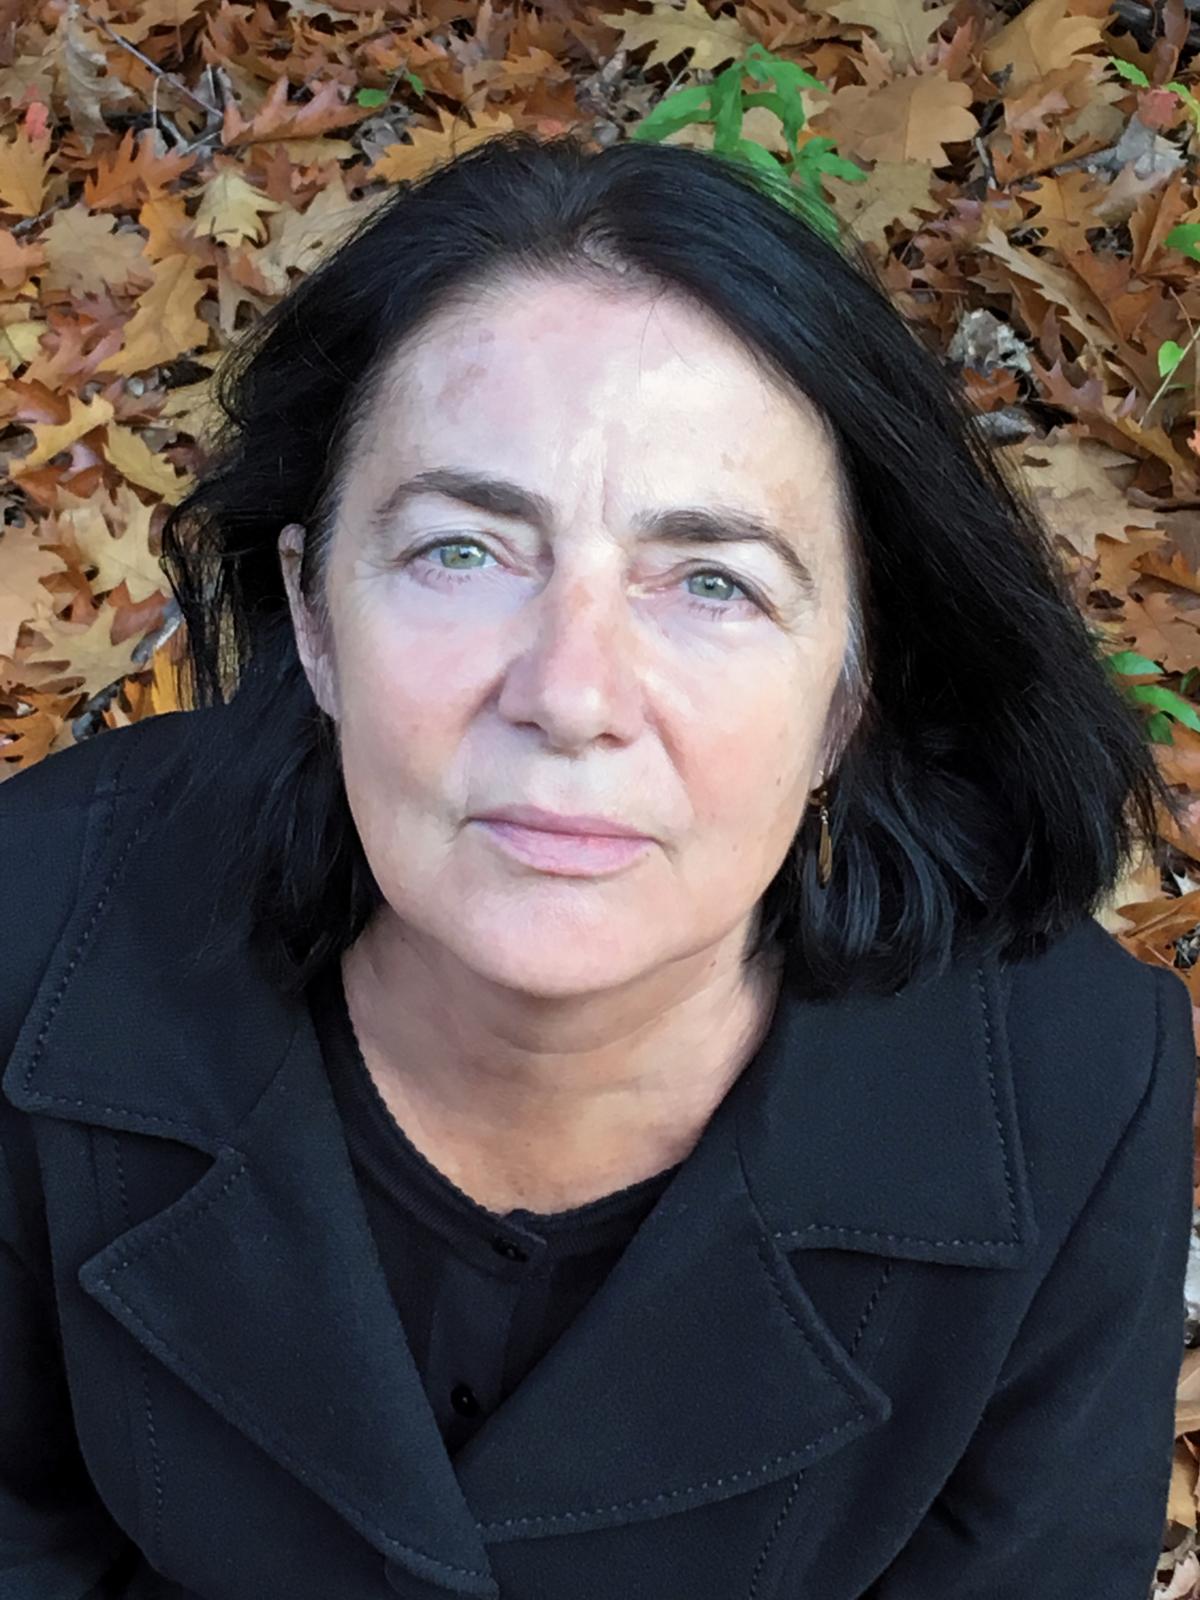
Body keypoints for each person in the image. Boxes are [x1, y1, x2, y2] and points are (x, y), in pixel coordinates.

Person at [1, 129, 1194, 1600]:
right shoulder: (32, 926)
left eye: (712, 582)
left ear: (852, 688)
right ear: (313, 617)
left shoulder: (1075, 1088)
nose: (571, 694)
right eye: (462, 551)